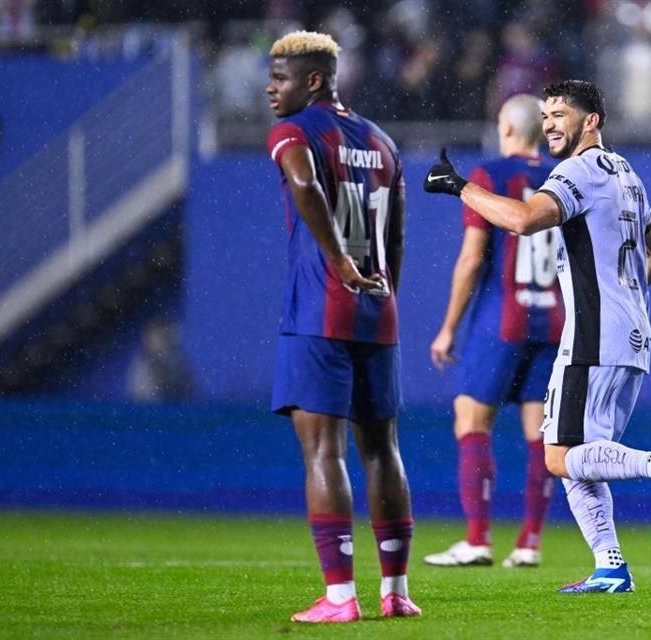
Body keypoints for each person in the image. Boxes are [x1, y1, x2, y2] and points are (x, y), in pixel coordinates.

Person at [424, 79, 651, 594]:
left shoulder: (576, 171)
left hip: (593, 335)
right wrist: (623, 293)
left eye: (561, 114)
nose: (551, 123)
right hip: (630, 334)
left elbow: (524, 219)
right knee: (582, 456)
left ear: (591, 121)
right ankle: (610, 567)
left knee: (559, 455)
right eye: (546, 115)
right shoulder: (626, 174)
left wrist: (458, 186)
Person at [264, 30, 420, 622]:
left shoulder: (294, 131)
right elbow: (399, 234)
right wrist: (386, 296)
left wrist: (337, 261)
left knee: (322, 449)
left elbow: (304, 184)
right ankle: (396, 591)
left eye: (279, 79)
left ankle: (339, 598)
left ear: (312, 80)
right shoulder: (383, 143)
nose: (269, 89)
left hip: (319, 311)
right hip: (377, 311)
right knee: (382, 450)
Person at [424, 94, 561, 569]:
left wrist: (447, 328)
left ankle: (478, 538)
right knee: (539, 436)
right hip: (553, 320)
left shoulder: (488, 175)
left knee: (472, 421)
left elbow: (472, 257)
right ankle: (529, 542)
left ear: (506, 127)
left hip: (502, 318)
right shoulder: (561, 179)